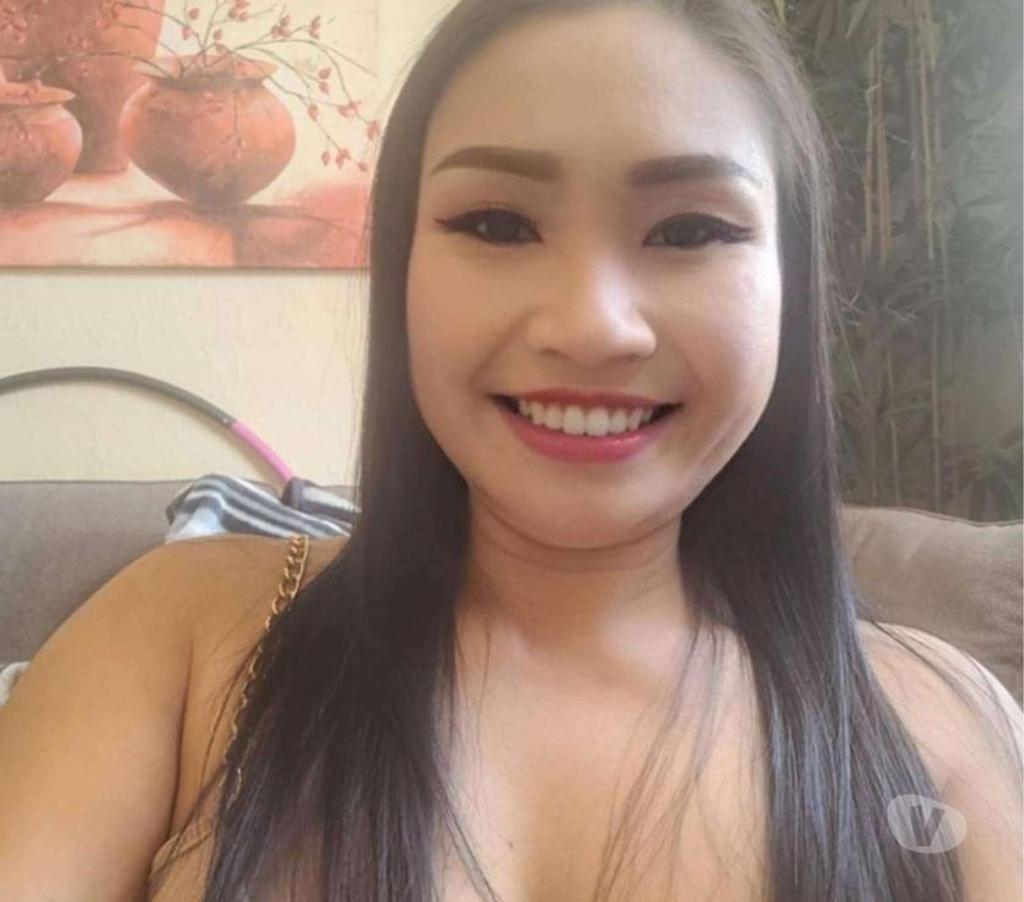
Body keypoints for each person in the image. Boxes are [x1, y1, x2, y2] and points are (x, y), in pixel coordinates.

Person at [1, 0, 1021, 899]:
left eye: (689, 230)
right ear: (402, 263)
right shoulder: (177, 642)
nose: (591, 327)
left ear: (792, 284)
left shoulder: (944, 725)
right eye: (495, 222)